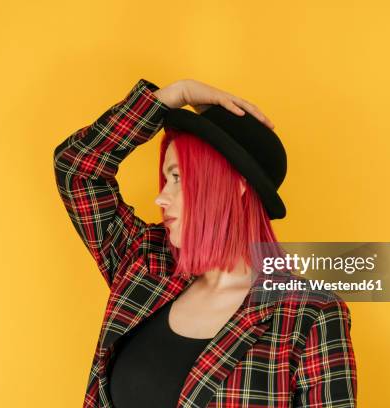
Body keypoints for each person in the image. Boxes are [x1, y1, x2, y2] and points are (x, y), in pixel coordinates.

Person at [53, 78, 357, 407]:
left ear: (236, 184)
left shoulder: (309, 315)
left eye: (178, 178)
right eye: (166, 178)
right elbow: (76, 168)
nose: (161, 197)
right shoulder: (144, 264)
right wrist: (172, 97)